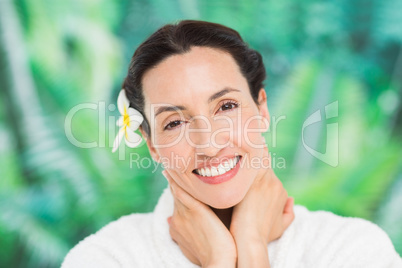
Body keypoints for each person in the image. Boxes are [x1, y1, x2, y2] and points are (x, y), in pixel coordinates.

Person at [61, 20, 402, 267]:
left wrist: (250, 244)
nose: (208, 145)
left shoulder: (351, 250)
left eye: (226, 107)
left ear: (262, 108)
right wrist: (222, 259)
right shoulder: (106, 258)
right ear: (152, 146)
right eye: (175, 122)